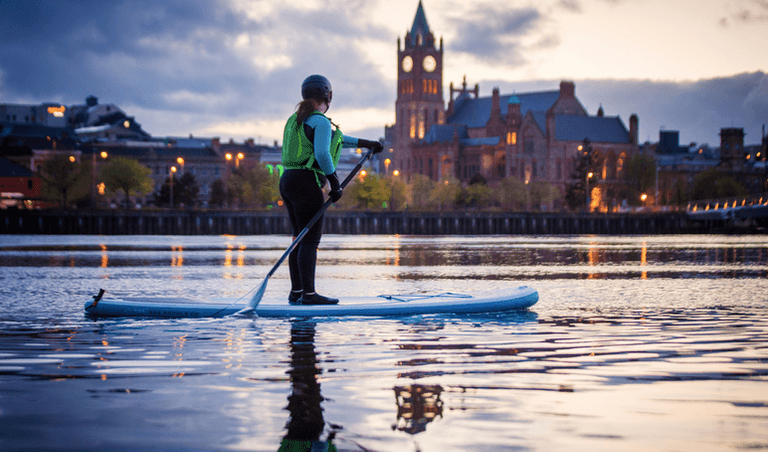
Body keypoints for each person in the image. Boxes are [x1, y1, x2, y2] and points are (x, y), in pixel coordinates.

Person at [280, 74, 382, 305]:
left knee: (298, 237)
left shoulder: (296, 119)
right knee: (310, 240)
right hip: (307, 183)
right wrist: (335, 183)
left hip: (287, 181)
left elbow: (335, 140)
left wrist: (367, 144)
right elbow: (323, 153)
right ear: (328, 96)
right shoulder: (321, 121)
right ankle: (309, 295)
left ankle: (296, 293)